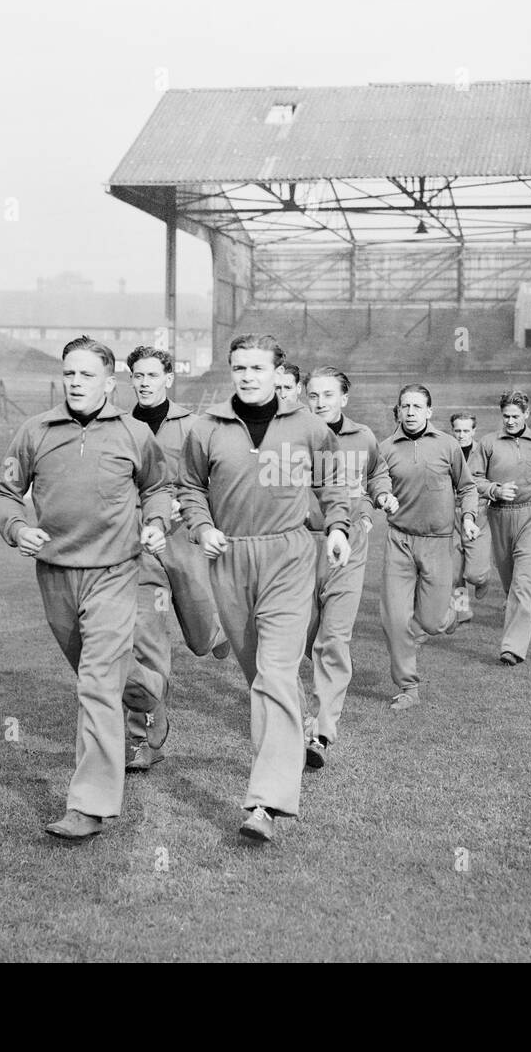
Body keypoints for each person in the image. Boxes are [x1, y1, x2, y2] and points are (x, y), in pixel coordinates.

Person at [0, 337, 172, 841]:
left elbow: (158, 488)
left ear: (109, 382)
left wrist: (157, 522)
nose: (75, 383)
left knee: (94, 686)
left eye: (86, 375)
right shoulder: (35, 431)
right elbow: (6, 493)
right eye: (68, 374)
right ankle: (150, 688)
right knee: (106, 677)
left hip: (114, 573)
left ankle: (88, 806)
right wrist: (17, 529)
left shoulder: (135, 433)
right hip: (55, 575)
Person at [178, 334, 350, 843]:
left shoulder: (311, 427)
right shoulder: (205, 428)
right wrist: (201, 527)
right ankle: (291, 740)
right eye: (239, 367)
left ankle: (265, 802)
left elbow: (333, 483)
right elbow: (189, 488)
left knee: (275, 672)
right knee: (259, 673)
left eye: (257, 367)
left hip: (289, 555)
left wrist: (338, 526)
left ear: (279, 373)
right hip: (230, 558)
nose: (247, 376)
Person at [122, 346, 230, 773]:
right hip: (140, 546)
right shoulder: (120, 427)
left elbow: (214, 477)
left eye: (152, 375)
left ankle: (214, 632)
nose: (144, 382)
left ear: (169, 378)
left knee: (205, 636)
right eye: (138, 376)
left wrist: (194, 507)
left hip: (183, 542)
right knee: (144, 638)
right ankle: (145, 737)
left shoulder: (195, 425)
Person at [298, 366, 394, 768]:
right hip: (299, 547)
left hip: (348, 549)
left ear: (344, 399)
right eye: (313, 395)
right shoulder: (292, 435)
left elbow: (377, 474)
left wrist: (378, 501)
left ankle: (320, 732)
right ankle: (298, 711)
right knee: (299, 640)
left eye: (327, 395)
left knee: (334, 641)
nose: (319, 402)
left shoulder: (363, 437)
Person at [377, 384, 478, 708]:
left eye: (417, 406)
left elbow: (468, 487)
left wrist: (469, 517)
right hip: (399, 541)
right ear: (398, 410)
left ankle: (451, 615)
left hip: (437, 542)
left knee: (432, 623)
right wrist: (382, 495)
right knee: (394, 620)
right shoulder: (386, 448)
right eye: (405, 406)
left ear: (429, 411)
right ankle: (409, 688)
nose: (410, 412)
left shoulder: (448, 446)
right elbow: (375, 481)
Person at [470, 391, 531, 666]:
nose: (509, 421)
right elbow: (472, 479)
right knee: (511, 582)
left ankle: (513, 647)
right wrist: (494, 490)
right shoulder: (487, 443)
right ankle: (521, 616)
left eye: (515, 416)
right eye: (505, 416)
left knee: (523, 582)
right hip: (499, 516)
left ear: (526, 414)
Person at [449, 412, 492, 623]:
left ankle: (482, 580)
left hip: (478, 515)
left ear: (474, 431)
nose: (461, 435)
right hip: (449, 515)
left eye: (466, 431)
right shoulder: (446, 450)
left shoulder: (484, 452)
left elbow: (491, 481)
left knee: (474, 573)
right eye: (457, 430)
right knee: (454, 571)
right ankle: (462, 610)